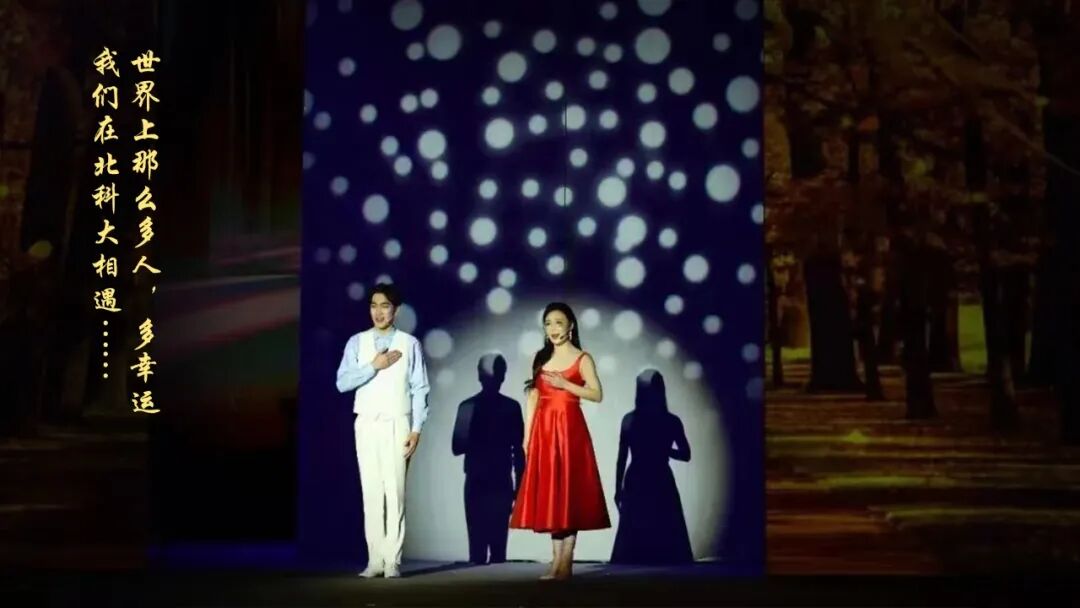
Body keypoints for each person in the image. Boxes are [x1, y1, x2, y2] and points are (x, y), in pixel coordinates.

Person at [335, 283, 430, 579]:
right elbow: (342, 382)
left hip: (398, 421)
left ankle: (393, 560)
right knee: (372, 492)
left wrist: (416, 429)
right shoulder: (357, 342)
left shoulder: (409, 343)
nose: (378, 312)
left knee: (395, 491)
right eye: (374, 305)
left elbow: (420, 388)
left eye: (385, 306)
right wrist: (373, 366)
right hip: (366, 422)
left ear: (396, 310)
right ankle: (375, 559)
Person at [510, 302, 610, 580]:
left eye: (558, 323)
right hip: (544, 431)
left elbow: (597, 394)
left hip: (570, 431)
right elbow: (533, 397)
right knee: (552, 494)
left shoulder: (582, 358)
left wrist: (566, 385)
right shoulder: (540, 358)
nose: (553, 329)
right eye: (548, 323)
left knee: (569, 493)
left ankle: (566, 562)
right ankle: (556, 562)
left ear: (570, 326)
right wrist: (527, 438)